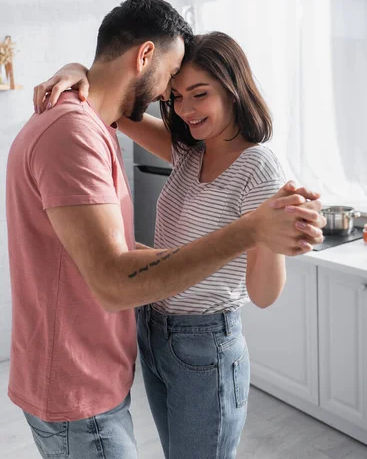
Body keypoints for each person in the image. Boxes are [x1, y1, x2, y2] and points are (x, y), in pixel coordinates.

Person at [32, 24, 326, 459]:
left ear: (233, 88)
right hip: (154, 332)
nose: (185, 108)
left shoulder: (260, 168)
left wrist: (272, 237)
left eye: (200, 93)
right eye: (176, 97)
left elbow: (264, 295)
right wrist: (76, 69)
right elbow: (115, 106)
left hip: (206, 347)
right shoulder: (191, 151)